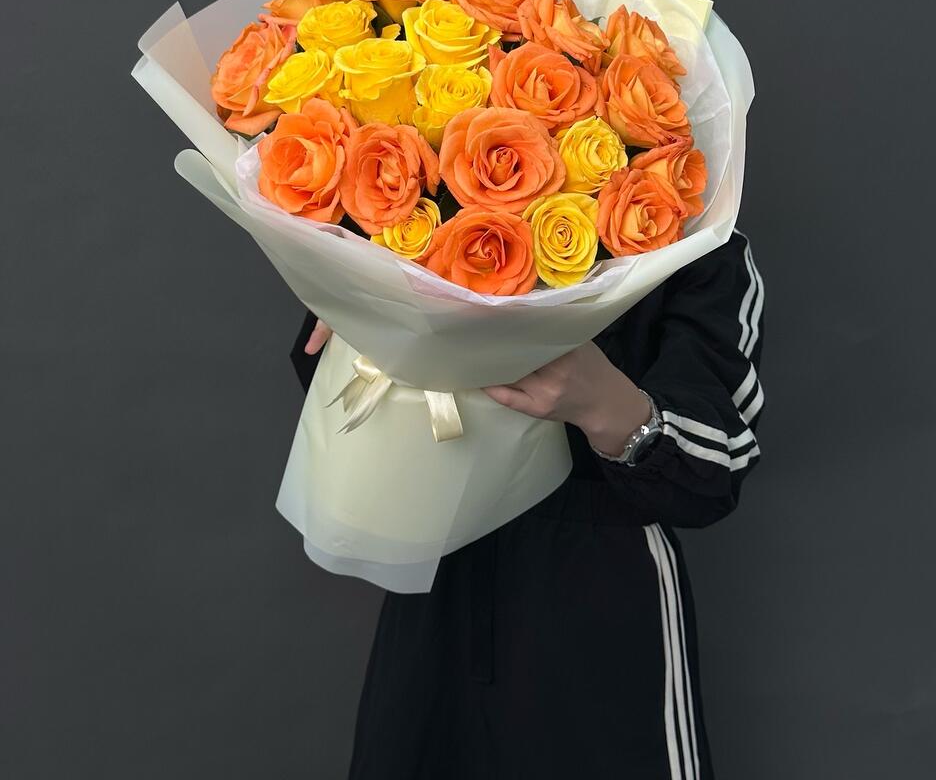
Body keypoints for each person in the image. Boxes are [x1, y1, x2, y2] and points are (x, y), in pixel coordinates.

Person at [291, 229, 765, 780]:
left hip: (597, 588)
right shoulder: (420, 205)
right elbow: (331, 383)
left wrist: (607, 404)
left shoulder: (702, 241)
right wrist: (354, 306)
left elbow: (718, 465)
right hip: (438, 577)